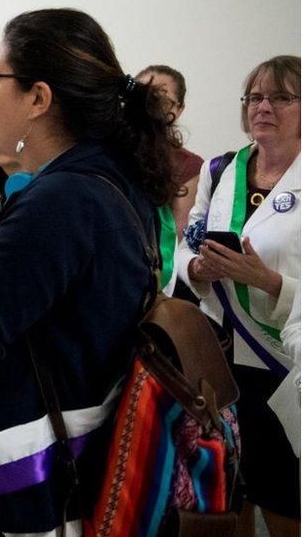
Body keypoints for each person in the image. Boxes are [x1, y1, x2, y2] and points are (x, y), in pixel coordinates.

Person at [0, 9, 180, 534]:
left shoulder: (64, 201)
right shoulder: (106, 182)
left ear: (39, 99)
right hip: (62, 466)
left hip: (15, 488)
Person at [175, 55, 300, 537]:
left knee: (284, 497)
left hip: (283, 361)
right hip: (219, 360)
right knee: (228, 492)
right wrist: (199, 266)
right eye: (255, 97)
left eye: (281, 97)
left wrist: (267, 281)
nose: (263, 106)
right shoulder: (222, 168)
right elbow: (190, 240)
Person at [135, 65, 204, 298]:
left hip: (155, 272)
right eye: (143, 91)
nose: (150, 101)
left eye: (161, 96)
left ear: (179, 108)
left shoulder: (189, 165)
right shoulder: (108, 150)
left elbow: (178, 232)